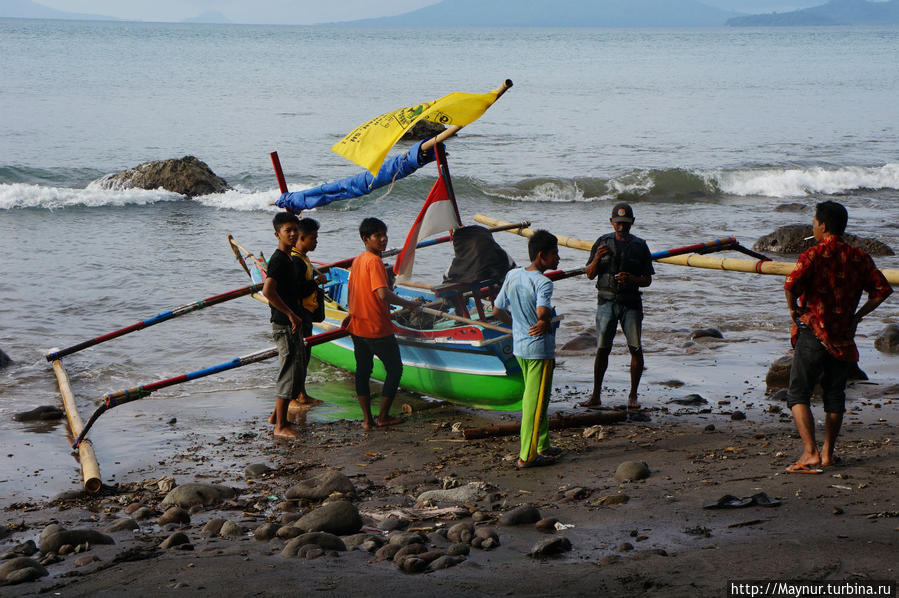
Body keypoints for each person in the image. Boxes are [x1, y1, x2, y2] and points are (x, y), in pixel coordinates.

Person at [783, 201, 892, 473]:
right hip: (843, 334)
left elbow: (790, 285)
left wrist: (793, 310)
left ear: (823, 226)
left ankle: (810, 453)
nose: (813, 227)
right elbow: (881, 290)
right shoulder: (859, 257)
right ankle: (828, 453)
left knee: (798, 393)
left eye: (814, 223)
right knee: (834, 394)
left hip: (814, 331)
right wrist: (857, 316)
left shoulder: (813, 254)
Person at [344, 218, 422, 430]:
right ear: (365, 239)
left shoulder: (358, 260)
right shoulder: (375, 262)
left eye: (384, 234)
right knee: (395, 369)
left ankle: (367, 420)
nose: (383, 239)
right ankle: (383, 417)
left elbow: (352, 291)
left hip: (357, 326)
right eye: (377, 236)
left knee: (362, 371)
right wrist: (409, 304)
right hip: (376, 328)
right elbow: (383, 293)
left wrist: (351, 313)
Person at [493, 230, 561, 469]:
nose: (558, 258)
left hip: (521, 347)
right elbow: (542, 312)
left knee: (538, 398)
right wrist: (543, 321)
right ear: (542, 256)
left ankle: (542, 444)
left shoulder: (513, 274)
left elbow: (497, 309)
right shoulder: (543, 282)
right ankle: (527, 456)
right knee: (534, 403)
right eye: (554, 254)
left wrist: (517, 325)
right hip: (539, 351)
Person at [579, 203, 653, 410]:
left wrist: (631, 279)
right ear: (611, 222)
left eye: (625, 224)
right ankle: (595, 395)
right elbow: (590, 274)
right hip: (606, 301)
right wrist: (596, 258)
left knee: (635, 348)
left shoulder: (640, 245)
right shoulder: (602, 243)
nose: (621, 227)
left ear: (632, 223)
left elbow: (647, 280)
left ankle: (633, 396)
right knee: (602, 349)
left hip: (631, 303)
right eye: (618, 223)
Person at [261, 212, 305, 439]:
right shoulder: (278, 259)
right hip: (283, 323)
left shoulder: (289, 257)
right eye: (288, 230)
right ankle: (280, 427)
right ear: (277, 234)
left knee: (296, 372)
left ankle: (277, 417)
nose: (293, 234)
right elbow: (267, 291)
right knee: (288, 373)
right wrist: (290, 314)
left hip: (292, 322)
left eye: (295, 230)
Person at [290, 217, 328, 406]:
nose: (316, 241)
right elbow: (295, 290)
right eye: (313, 238)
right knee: (299, 357)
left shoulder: (304, 258)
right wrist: (316, 282)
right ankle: (296, 396)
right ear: (302, 238)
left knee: (304, 356)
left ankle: (302, 393)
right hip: (300, 312)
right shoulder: (296, 260)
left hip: (307, 312)